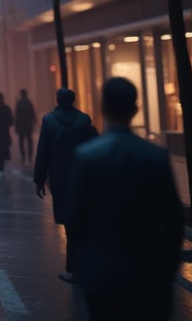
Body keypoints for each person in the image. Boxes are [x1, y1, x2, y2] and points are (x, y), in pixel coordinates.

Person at [67, 77, 183, 321]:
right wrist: (167, 269)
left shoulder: (86, 157)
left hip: (101, 275)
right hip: (147, 271)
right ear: (135, 110)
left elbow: (76, 219)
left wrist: (83, 266)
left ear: (103, 109)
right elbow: (174, 221)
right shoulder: (156, 157)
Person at [33, 86, 97, 281]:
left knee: (69, 222)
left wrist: (39, 178)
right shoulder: (84, 120)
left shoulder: (49, 121)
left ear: (57, 100)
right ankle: (84, 265)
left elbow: (43, 151)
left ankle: (73, 268)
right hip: (83, 176)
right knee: (83, 220)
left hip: (60, 177)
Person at [14, 88, 36, 165]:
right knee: (29, 141)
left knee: (21, 142)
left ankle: (23, 156)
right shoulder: (29, 103)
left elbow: (16, 116)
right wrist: (34, 122)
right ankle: (29, 157)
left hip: (21, 126)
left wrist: (16, 127)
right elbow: (33, 114)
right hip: (28, 125)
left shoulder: (19, 103)